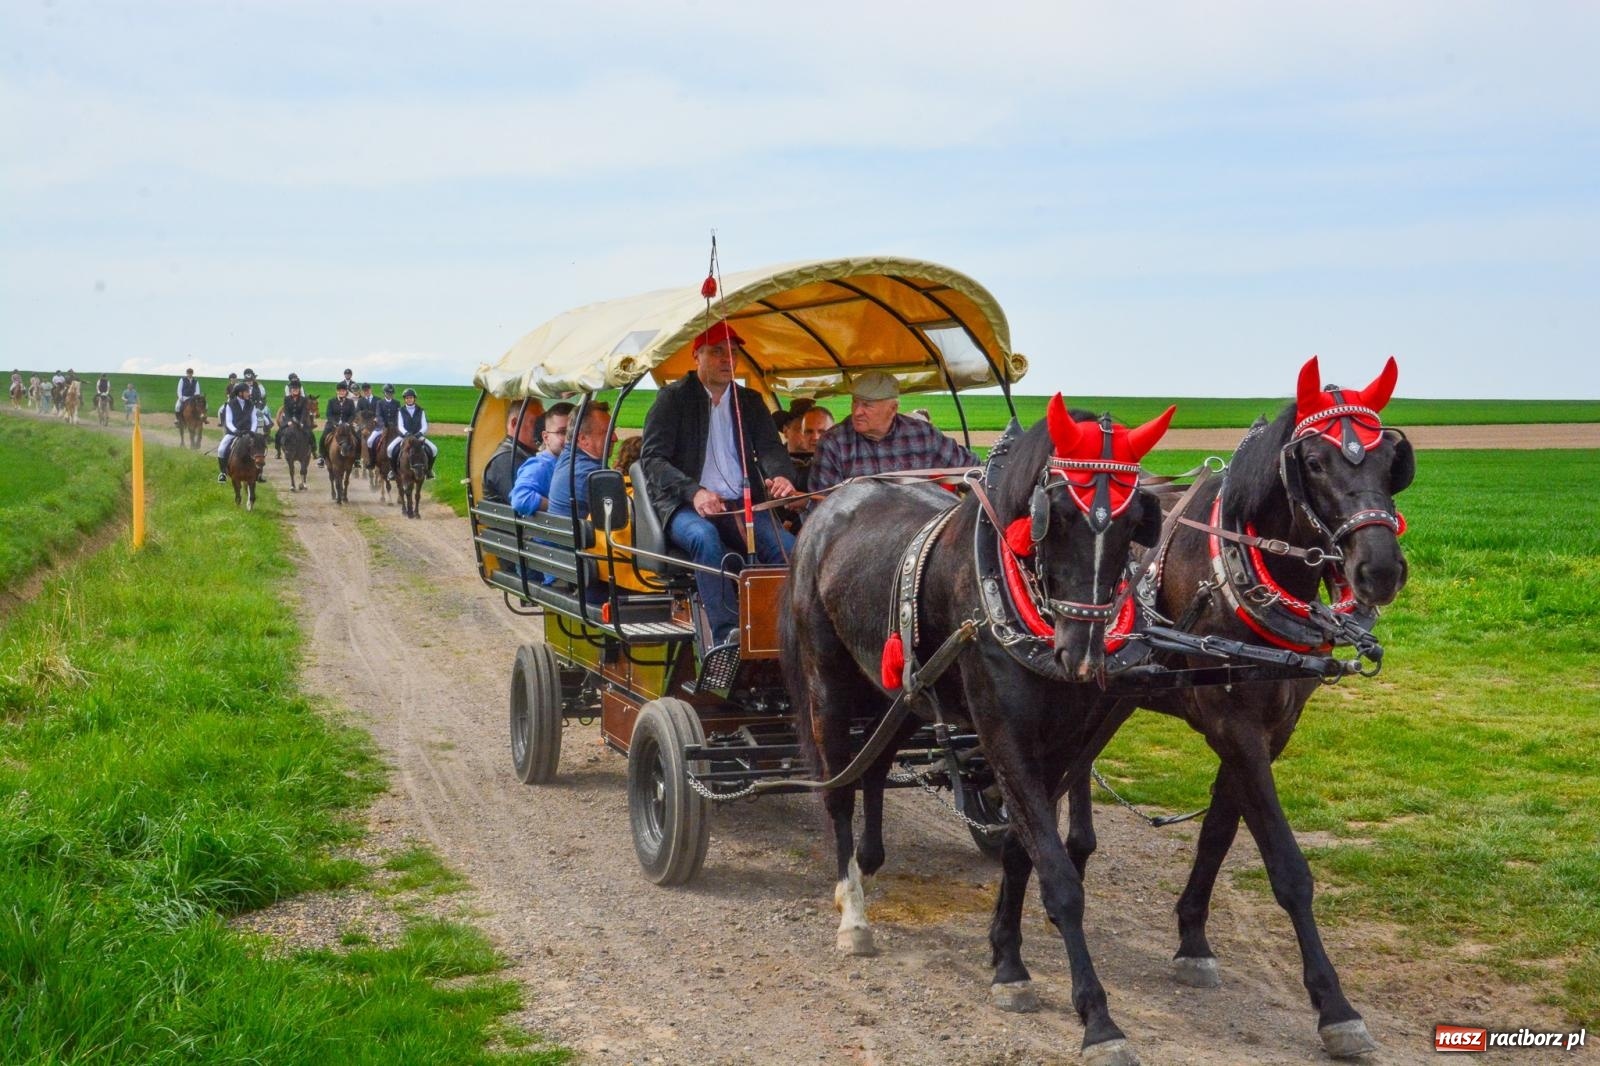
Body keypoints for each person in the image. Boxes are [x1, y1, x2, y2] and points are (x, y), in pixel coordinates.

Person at [640, 321, 797, 646]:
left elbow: (770, 449)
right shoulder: (673, 399)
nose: (728, 360)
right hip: (685, 506)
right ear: (696, 356)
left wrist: (781, 475)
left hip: (742, 506)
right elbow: (652, 460)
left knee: (788, 549)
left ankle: (787, 631)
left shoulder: (749, 402)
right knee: (705, 539)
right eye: (717, 352)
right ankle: (728, 634)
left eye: (733, 353)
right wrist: (693, 492)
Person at [807, 370, 975, 495]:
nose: (857, 412)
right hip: (862, 535)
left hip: (920, 532)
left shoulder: (923, 435)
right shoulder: (834, 443)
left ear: (893, 408)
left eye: (867, 405)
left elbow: (972, 470)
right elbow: (823, 506)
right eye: (855, 402)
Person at [545, 403, 611, 520]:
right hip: (580, 538)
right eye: (607, 432)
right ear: (583, 439)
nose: (615, 437)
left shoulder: (568, 458)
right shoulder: (590, 474)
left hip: (563, 536)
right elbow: (622, 516)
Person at [509, 401, 574, 516]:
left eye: (573, 433)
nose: (569, 439)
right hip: (556, 532)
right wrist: (558, 507)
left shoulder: (572, 464)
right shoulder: (540, 466)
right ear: (546, 437)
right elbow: (520, 498)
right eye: (562, 432)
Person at [482, 401, 544, 504]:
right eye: (536, 423)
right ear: (515, 423)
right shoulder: (506, 460)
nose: (541, 429)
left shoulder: (524, 453)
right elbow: (525, 502)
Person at [386, 388, 436, 478]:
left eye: (411, 398)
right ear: (405, 399)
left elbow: (424, 425)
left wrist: (420, 433)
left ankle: (429, 471)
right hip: (404, 437)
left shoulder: (421, 410)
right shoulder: (401, 410)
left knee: (434, 449)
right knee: (390, 449)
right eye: (407, 398)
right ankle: (393, 471)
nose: (409, 399)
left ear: (414, 399)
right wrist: (406, 433)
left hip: (418, 437)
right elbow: (400, 425)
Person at [217, 382, 262, 482]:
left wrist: (251, 431)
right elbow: (228, 421)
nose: (249, 394)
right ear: (240, 393)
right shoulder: (230, 405)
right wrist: (236, 431)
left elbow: (254, 420)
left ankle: (259, 473)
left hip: (248, 432)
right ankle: (223, 473)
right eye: (247, 392)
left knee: (259, 447)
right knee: (221, 449)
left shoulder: (251, 405)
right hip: (234, 433)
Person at [784, 405, 835, 492]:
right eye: (809, 432)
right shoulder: (783, 465)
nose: (815, 437)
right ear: (802, 434)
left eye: (822, 431)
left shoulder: (843, 463)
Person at [318, 380, 357, 467]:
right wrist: (334, 423)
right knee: (323, 436)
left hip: (346, 426)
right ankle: (321, 456)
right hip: (333, 425)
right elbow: (329, 414)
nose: (342, 392)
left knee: (356, 437)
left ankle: (356, 459)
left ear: (346, 392)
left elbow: (352, 414)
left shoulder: (350, 402)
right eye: (340, 391)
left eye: (343, 391)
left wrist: (348, 423)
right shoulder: (331, 401)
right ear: (337, 391)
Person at [366, 384, 402, 468]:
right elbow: (378, 415)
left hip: (394, 428)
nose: (390, 394)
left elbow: (398, 415)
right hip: (381, 427)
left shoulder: (397, 403)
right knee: (370, 441)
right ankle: (372, 461)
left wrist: (395, 424)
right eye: (388, 393)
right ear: (384, 393)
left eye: (391, 393)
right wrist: (383, 425)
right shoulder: (380, 403)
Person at [276, 377, 312, 456]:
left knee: (310, 434)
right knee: (278, 433)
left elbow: (304, 412)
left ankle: (313, 450)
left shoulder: (303, 399)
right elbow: (286, 411)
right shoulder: (286, 399)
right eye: (293, 388)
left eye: (297, 388)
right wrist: (288, 421)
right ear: (290, 390)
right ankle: (278, 450)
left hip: (300, 420)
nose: (295, 390)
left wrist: (302, 422)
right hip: (289, 420)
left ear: (299, 390)